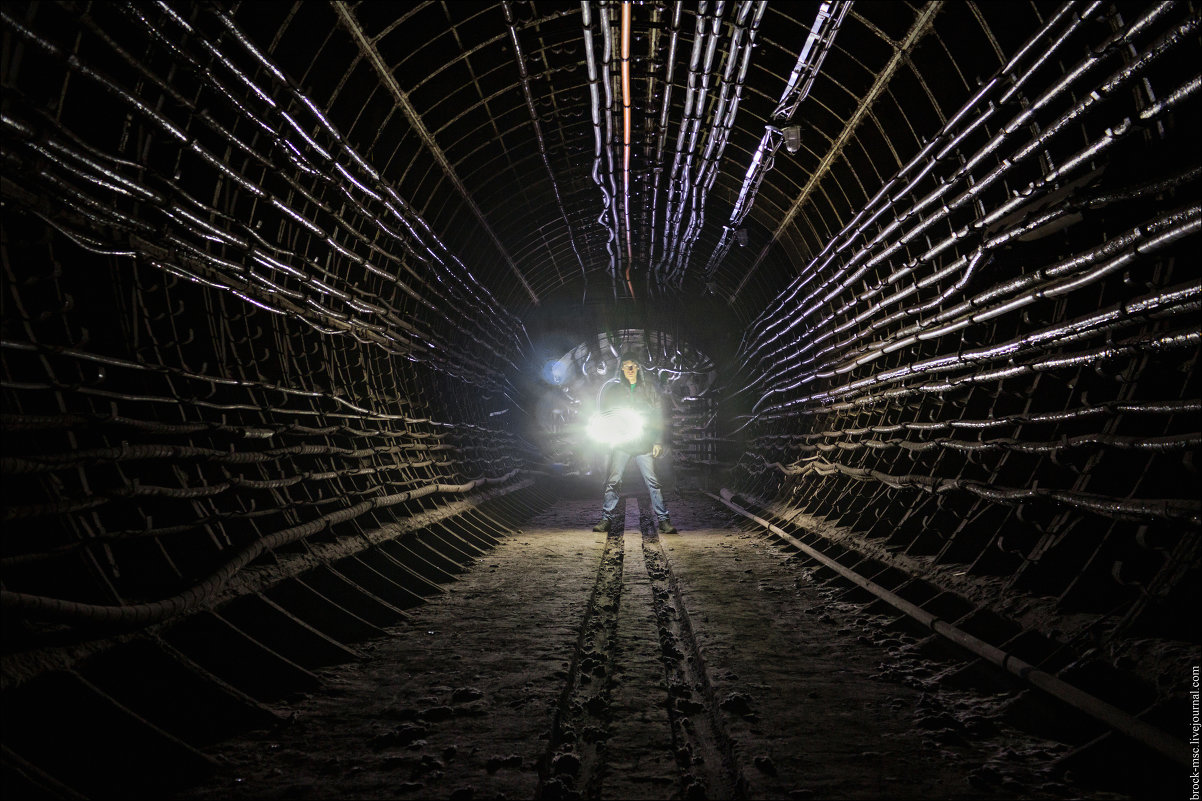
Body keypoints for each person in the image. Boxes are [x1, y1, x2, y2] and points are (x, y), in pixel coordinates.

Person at [592, 352, 677, 534]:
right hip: (622, 443)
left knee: (653, 482)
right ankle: (606, 520)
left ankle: (664, 520)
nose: (630, 369)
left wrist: (657, 441)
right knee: (613, 481)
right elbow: (607, 414)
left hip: (643, 443)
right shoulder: (615, 390)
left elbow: (658, 416)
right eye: (626, 366)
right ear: (622, 369)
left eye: (633, 365)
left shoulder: (649, 389)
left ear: (638, 367)